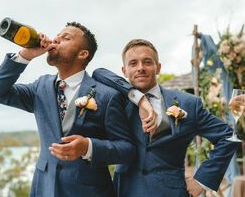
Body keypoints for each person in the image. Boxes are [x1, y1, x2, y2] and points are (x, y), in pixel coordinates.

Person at [0, 23, 156, 197]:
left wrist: (88, 147)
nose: (56, 39)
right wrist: (26, 55)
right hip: (44, 189)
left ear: (83, 54)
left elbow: (127, 149)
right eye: (57, 36)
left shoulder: (107, 95)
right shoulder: (40, 87)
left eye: (66, 38)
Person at [92, 38, 240, 197]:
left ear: (158, 68)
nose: (140, 68)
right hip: (125, 191)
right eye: (133, 63)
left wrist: (201, 181)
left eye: (147, 62)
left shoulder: (188, 103)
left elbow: (228, 137)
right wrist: (140, 99)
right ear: (124, 71)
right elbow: (98, 73)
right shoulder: (117, 101)